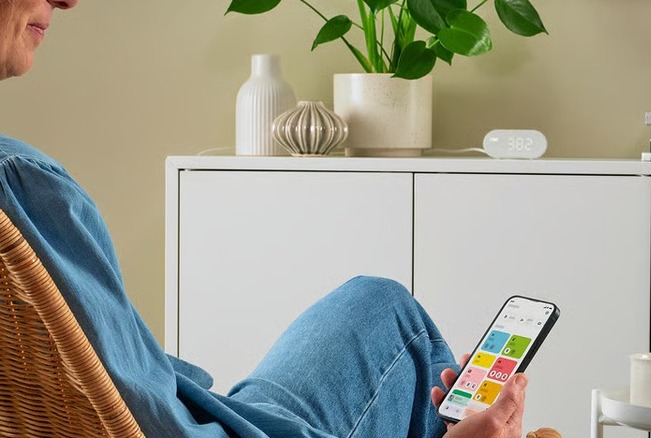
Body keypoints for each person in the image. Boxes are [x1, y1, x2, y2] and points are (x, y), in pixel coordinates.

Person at [0, 1, 533, 437]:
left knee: (373, 298)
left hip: (202, 407)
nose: (69, 1)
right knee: (391, 317)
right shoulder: (20, 184)